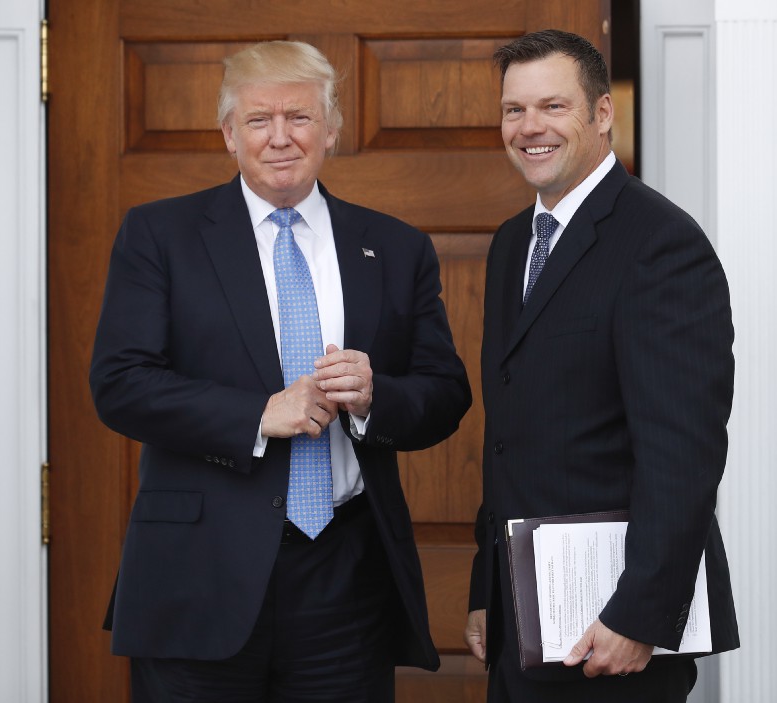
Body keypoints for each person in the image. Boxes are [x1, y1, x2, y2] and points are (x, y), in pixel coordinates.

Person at [90, 40, 471, 702]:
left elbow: (445, 393)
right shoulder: (160, 235)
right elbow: (120, 384)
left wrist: (375, 397)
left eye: (299, 117)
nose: (280, 137)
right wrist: (259, 415)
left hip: (345, 578)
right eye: (259, 119)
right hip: (199, 575)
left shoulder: (396, 246)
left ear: (331, 128)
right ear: (229, 134)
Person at [463, 29, 739, 702]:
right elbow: (509, 438)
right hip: (525, 618)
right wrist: (488, 589)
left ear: (603, 112)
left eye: (553, 106)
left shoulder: (660, 243)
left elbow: (683, 454)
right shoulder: (511, 244)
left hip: (612, 630)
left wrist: (639, 614)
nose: (530, 127)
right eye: (514, 110)